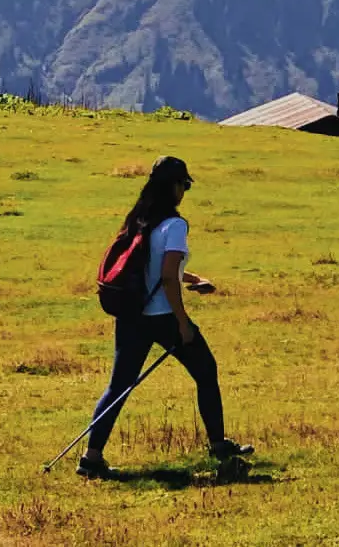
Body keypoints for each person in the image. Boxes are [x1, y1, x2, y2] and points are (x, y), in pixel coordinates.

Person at [78, 154, 250, 479]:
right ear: (174, 187)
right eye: (184, 185)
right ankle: (218, 446)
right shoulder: (175, 225)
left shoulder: (139, 219)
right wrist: (182, 323)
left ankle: (91, 458)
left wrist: (194, 279)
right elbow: (168, 275)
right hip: (163, 316)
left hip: (131, 315)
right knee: (206, 371)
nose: (184, 191)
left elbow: (154, 267)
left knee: (118, 387)